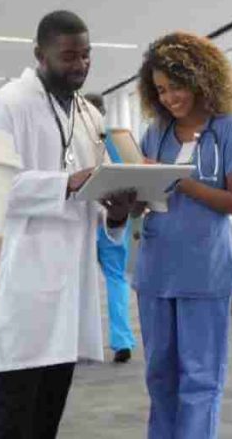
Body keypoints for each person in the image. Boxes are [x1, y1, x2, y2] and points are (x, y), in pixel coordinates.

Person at [0, 11, 135, 439]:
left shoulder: (88, 116)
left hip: (72, 292)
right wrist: (66, 183)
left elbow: (95, 202)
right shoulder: (5, 106)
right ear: (39, 54)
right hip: (23, 288)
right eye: (69, 56)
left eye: (86, 56)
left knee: (48, 417)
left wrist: (116, 213)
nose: (80, 65)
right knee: (12, 416)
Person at [132, 32, 232, 439]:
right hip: (155, 272)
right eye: (161, 90)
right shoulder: (156, 134)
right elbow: (146, 199)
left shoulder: (229, 132)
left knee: (200, 379)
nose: (169, 98)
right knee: (159, 376)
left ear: (201, 79)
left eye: (176, 86)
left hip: (205, 273)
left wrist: (176, 180)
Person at [82, 92, 137, 364]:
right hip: (113, 218)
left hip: (87, 220)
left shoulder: (74, 141)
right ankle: (122, 341)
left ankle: (77, 341)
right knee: (116, 279)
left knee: (79, 280)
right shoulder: (116, 142)